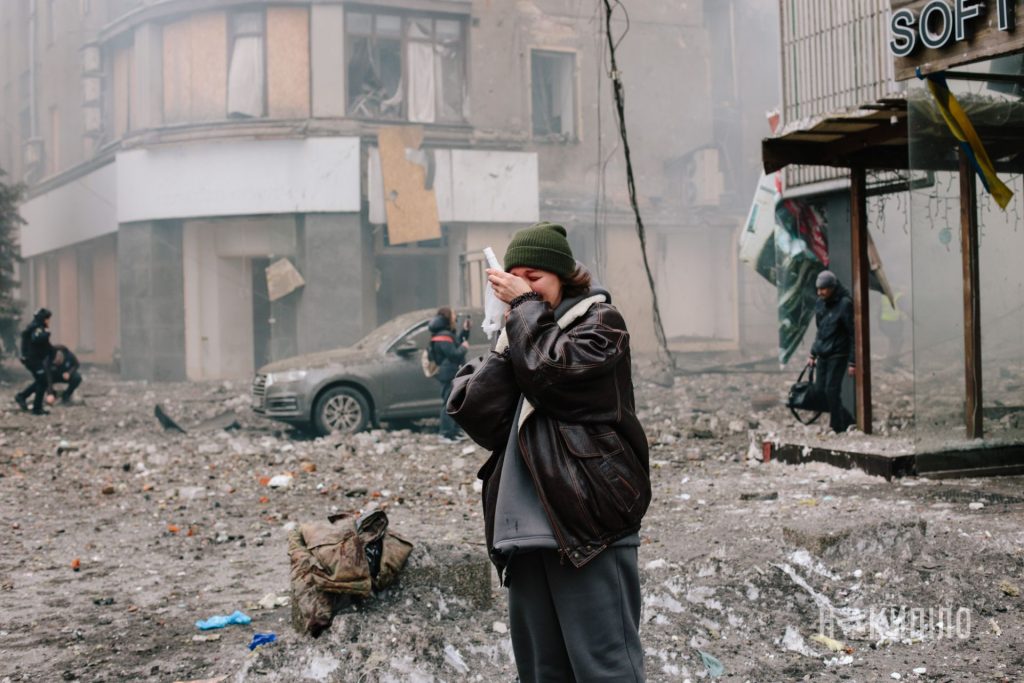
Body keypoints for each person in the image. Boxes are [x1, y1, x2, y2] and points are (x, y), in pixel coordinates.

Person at [447, 221, 651, 682]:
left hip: (589, 525)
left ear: (564, 276)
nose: (521, 285)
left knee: (605, 669)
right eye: (513, 276)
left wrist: (523, 307)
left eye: (534, 276)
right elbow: (476, 412)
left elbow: (554, 376)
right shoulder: (521, 332)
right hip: (522, 533)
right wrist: (506, 335)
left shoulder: (603, 325)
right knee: (542, 673)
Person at [810, 270, 855, 433]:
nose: (819, 292)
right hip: (823, 353)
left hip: (838, 354)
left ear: (832, 288)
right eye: (818, 289)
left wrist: (852, 361)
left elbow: (853, 334)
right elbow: (820, 331)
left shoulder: (845, 304)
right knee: (820, 390)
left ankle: (836, 426)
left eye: (823, 289)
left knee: (831, 390)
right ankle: (847, 420)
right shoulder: (820, 303)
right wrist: (813, 353)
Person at [427, 306, 471, 443]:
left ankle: (453, 432)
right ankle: (445, 434)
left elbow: (457, 342)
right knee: (448, 403)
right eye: (453, 314)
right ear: (446, 317)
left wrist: (465, 330)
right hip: (448, 374)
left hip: (453, 372)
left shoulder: (446, 334)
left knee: (455, 402)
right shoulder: (442, 337)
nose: (455, 316)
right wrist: (464, 348)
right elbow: (454, 354)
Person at [14, 308, 55, 416]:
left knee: (41, 381)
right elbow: (37, 338)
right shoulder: (37, 328)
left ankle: (23, 397)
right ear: (43, 319)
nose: (48, 322)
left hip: (33, 359)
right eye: (47, 319)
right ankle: (36, 408)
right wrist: (46, 334)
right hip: (32, 360)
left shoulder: (35, 327)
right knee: (43, 381)